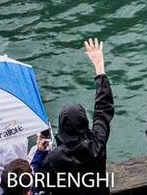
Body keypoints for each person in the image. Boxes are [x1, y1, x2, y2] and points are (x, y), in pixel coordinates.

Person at [38, 39, 114, 194]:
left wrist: (41, 153)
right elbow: (103, 109)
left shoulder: (53, 159)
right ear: (85, 122)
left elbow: (42, 185)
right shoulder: (97, 144)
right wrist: (99, 67)